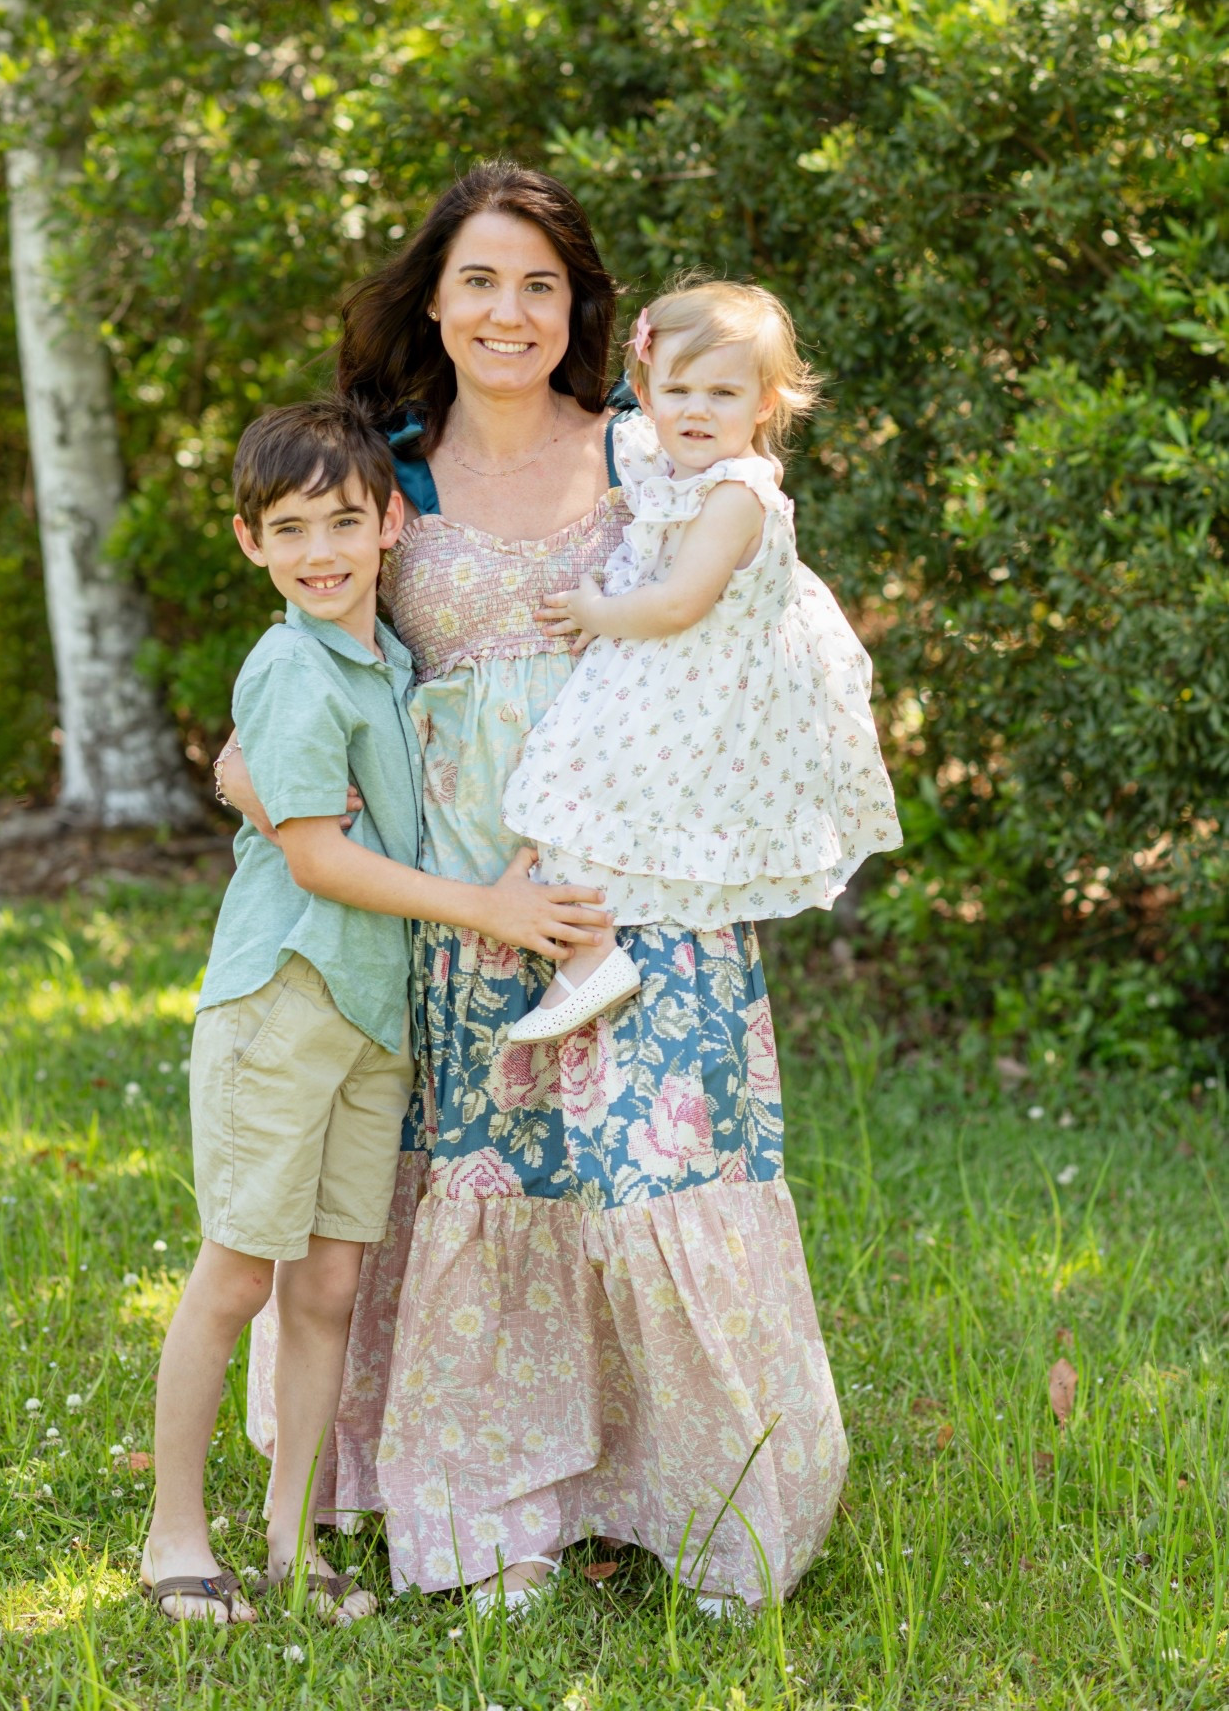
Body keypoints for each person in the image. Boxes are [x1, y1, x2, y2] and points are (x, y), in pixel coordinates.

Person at [237, 162, 851, 1615]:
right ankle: (488, 1516)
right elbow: (300, 666)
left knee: (651, 1187)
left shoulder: (658, 450)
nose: (507, 310)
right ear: (433, 301)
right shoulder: (381, 468)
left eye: (539, 283)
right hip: (463, 902)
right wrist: (246, 777)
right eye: (477, 281)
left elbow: (764, 637)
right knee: (495, 1195)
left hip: (646, 887)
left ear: (583, 307)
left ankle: (701, 1513)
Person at [143, 396, 606, 1624]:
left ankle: (294, 1540)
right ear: (250, 541)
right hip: (284, 995)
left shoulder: (389, 657)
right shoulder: (292, 663)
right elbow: (317, 858)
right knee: (240, 1269)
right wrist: (485, 911)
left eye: (343, 521)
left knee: (333, 1281)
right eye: (288, 530)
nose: (319, 552)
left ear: (391, 521)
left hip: (373, 1011)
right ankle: (175, 1538)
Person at [503, 278, 902, 1042]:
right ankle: (591, 950)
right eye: (676, 388)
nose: (695, 410)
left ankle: (593, 956)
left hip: (697, 691)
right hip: (675, 678)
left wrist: (596, 614)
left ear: (763, 404)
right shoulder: (682, 465)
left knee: (578, 778)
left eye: (722, 392)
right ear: (646, 390)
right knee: (577, 787)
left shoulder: (737, 494)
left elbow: (681, 602)